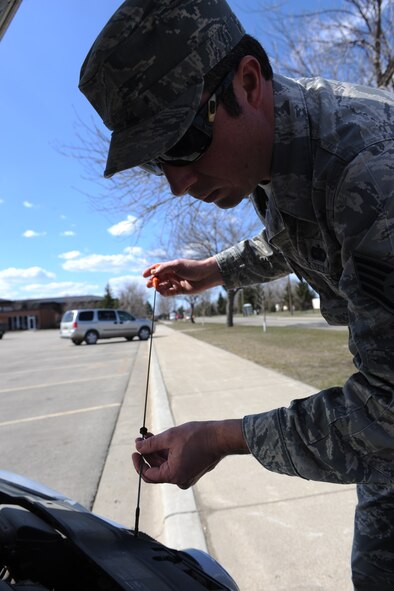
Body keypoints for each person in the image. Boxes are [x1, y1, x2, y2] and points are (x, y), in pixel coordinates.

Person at [79, 1, 394, 589]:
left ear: (247, 82)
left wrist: (223, 437)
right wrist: (214, 270)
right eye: (156, 160)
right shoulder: (282, 147)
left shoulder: (372, 174)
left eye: (182, 141)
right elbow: (303, 229)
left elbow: (386, 415)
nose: (177, 182)